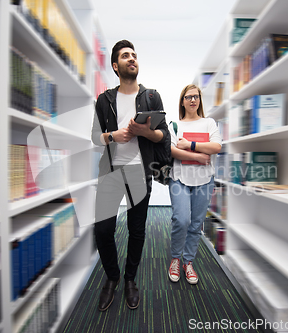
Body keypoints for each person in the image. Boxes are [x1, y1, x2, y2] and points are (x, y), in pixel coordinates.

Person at [91, 40, 169, 311]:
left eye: (134, 55)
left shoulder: (151, 97)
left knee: (137, 231)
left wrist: (144, 132)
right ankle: (112, 277)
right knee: (102, 230)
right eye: (125, 56)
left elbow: (164, 138)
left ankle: (130, 279)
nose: (131, 59)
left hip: (139, 172)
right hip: (110, 172)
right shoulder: (104, 100)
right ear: (116, 65)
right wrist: (114, 135)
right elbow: (95, 138)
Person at [167, 84, 222, 285]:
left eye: (196, 97)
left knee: (196, 224)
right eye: (188, 97)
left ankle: (188, 262)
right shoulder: (174, 125)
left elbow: (216, 147)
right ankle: (175, 258)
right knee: (181, 220)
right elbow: (172, 151)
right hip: (179, 177)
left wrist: (189, 145)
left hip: (204, 180)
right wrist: (199, 156)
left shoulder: (209, 123)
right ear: (182, 101)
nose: (192, 100)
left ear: (199, 100)